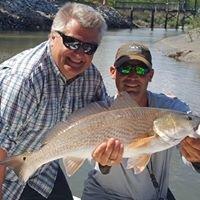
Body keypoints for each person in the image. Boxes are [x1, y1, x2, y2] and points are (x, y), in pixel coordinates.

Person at [0, 2, 122, 200]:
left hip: (43, 169)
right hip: (5, 175)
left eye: (89, 48)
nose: (79, 54)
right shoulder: (25, 80)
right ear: (53, 37)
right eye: (72, 42)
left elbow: (105, 124)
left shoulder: (92, 79)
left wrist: (106, 159)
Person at [82, 42, 200, 200]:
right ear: (112, 72)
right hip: (104, 195)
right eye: (125, 68)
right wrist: (105, 163)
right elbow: (97, 163)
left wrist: (197, 158)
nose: (132, 76)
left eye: (140, 69)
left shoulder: (171, 108)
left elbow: (193, 128)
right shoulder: (99, 112)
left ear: (150, 75)